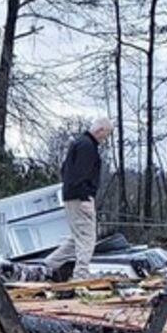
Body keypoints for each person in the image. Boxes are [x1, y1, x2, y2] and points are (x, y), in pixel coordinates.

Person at [43, 119, 112, 281]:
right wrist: (85, 198)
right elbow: (80, 175)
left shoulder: (78, 143)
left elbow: (65, 169)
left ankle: (49, 264)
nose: (106, 139)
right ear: (100, 130)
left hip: (70, 196)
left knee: (77, 238)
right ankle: (81, 275)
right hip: (81, 198)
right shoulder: (88, 147)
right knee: (87, 238)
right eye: (107, 134)